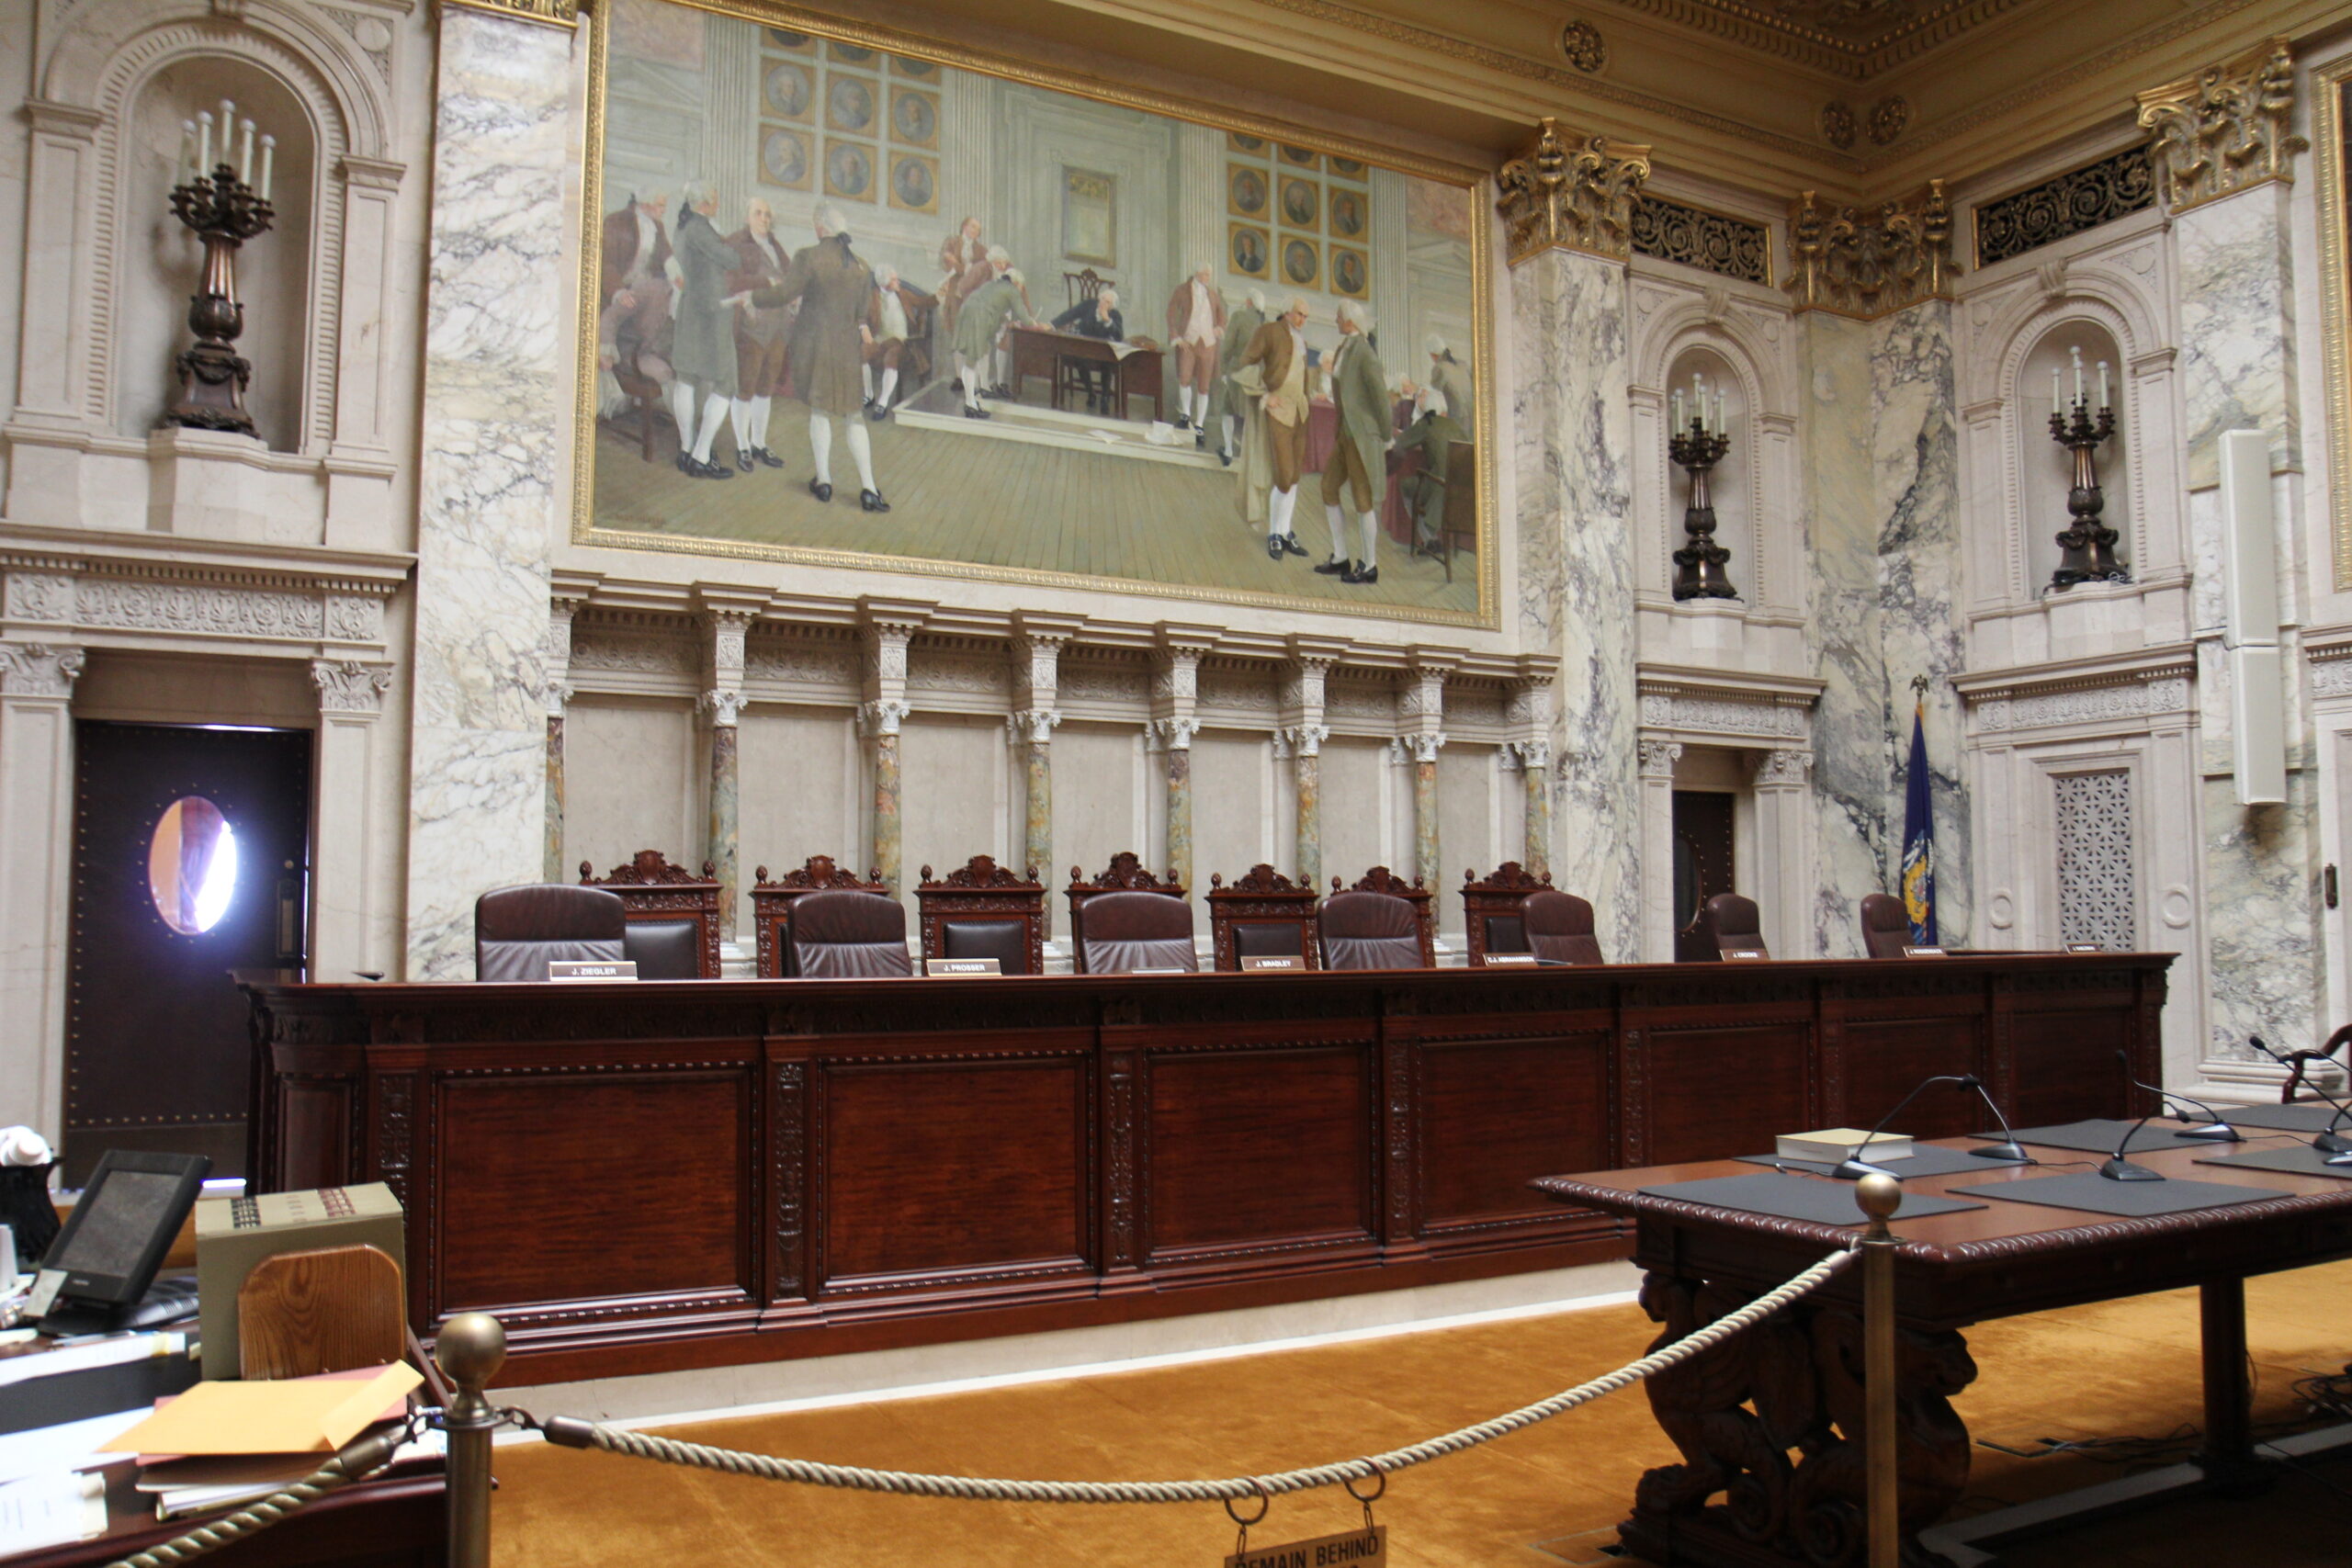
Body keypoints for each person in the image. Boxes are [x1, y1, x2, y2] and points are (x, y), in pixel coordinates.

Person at [729, 201, 890, 511]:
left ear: (820, 228)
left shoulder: (808, 256)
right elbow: (862, 315)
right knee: (853, 416)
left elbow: (784, 294)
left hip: (815, 348)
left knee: (820, 412)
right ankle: (869, 489)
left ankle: (825, 481)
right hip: (846, 352)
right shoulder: (861, 265)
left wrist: (752, 296)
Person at [1317, 299, 1393, 584]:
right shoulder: (1343, 348)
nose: (1336, 320)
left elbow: (1381, 400)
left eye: (1339, 316)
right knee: (1328, 487)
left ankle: (1370, 565)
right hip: (1345, 435)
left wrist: (1386, 437)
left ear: (1350, 322)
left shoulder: (1365, 353)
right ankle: (1340, 557)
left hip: (1363, 437)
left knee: (1363, 502)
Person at [669, 182, 741, 479]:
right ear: (706, 203)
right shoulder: (701, 229)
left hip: (690, 309)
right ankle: (700, 455)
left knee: (686, 378)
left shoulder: (684, 228)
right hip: (711, 313)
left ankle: (687, 450)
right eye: (716, 201)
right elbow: (732, 259)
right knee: (727, 382)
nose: (719, 206)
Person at [1236, 295, 1314, 561]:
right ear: (1287, 312)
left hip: (1300, 412)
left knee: (1293, 477)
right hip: (1278, 411)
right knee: (1282, 475)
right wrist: (1265, 396)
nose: (1302, 319)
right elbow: (1244, 364)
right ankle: (1273, 534)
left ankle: (1285, 530)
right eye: (1299, 314)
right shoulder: (1268, 332)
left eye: (1306, 316)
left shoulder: (1302, 340)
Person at [723, 197, 791, 472]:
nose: (764, 219)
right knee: (745, 387)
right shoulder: (735, 244)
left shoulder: (775, 246)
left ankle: (759, 443)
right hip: (751, 325)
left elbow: (788, 279)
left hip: (778, 325)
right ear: (747, 216)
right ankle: (742, 446)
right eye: (758, 213)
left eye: (767, 214)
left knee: (766, 388)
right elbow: (729, 282)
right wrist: (765, 282)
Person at [949, 249, 1031, 419]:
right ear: (1016, 283)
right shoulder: (1009, 288)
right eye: (1021, 287)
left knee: (976, 357)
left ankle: (973, 400)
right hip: (977, 319)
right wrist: (1038, 325)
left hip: (973, 316)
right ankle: (971, 403)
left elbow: (995, 309)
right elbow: (1025, 317)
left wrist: (1008, 321)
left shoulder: (994, 285)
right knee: (972, 360)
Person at [1389, 385, 1464, 558]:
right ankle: (1433, 538)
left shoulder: (1427, 423)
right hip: (1462, 491)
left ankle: (1430, 538)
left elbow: (1401, 443)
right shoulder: (1456, 426)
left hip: (1441, 486)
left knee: (1406, 486)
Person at [862, 264, 932, 421]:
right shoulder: (872, 296)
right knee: (862, 352)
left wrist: (940, 294)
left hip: (902, 343)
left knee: (891, 356)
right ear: (885, 283)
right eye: (894, 280)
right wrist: (863, 326)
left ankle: (883, 402)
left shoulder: (903, 294)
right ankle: (869, 395)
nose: (898, 282)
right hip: (880, 341)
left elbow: (923, 302)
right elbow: (860, 313)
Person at [1164, 266, 1225, 439]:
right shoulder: (1182, 290)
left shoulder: (1212, 294)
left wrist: (1219, 328)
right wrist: (1176, 336)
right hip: (1188, 342)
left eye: (1209, 274)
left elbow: (1222, 316)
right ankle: (1185, 415)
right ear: (1197, 273)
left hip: (1208, 344)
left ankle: (1199, 423)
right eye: (1205, 274)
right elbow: (1171, 314)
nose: (1207, 277)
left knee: (1204, 386)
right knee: (1185, 378)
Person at [1206, 286, 1263, 467]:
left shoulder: (1239, 316)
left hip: (1237, 371)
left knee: (1228, 409)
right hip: (1257, 375)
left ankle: (1229, 451)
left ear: (1248, 302)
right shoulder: (1266, 323)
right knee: (1249, 414)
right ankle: (1249, 457)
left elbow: (1228, 345)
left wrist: (1223, 370)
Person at [1049, 288, 1125, 415]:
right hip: (1084, 349)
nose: (1103, 304)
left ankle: (1105, 398)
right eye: (1102, 299)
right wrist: (1052, 325)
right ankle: (1091, 393)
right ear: (1098, 298)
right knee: (1080, 361)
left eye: (1107, 302)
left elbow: (1119, 336)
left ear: (1112, 306)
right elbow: (1069, 315)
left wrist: (1107, 321)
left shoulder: (1115, 315)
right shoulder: (1089, 305)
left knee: (1108, 364)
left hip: (1103, 353)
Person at [937, 216, 985, 331]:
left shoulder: (981, 249)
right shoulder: (952, 242)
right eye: (973, 227)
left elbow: (982, 270)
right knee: (953, 320)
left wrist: (965, 268)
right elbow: (947, 261)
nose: (976, 231)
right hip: (953, 288)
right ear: (964, 226)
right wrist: (965, 268)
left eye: (978, 229)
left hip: (971, 292)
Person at [1425, 334, 1474, 432]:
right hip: (1473, 415)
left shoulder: (1439, 368)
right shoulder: (1463, 364)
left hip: (1456, 418)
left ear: (1432, 355)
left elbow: (1435, 396)